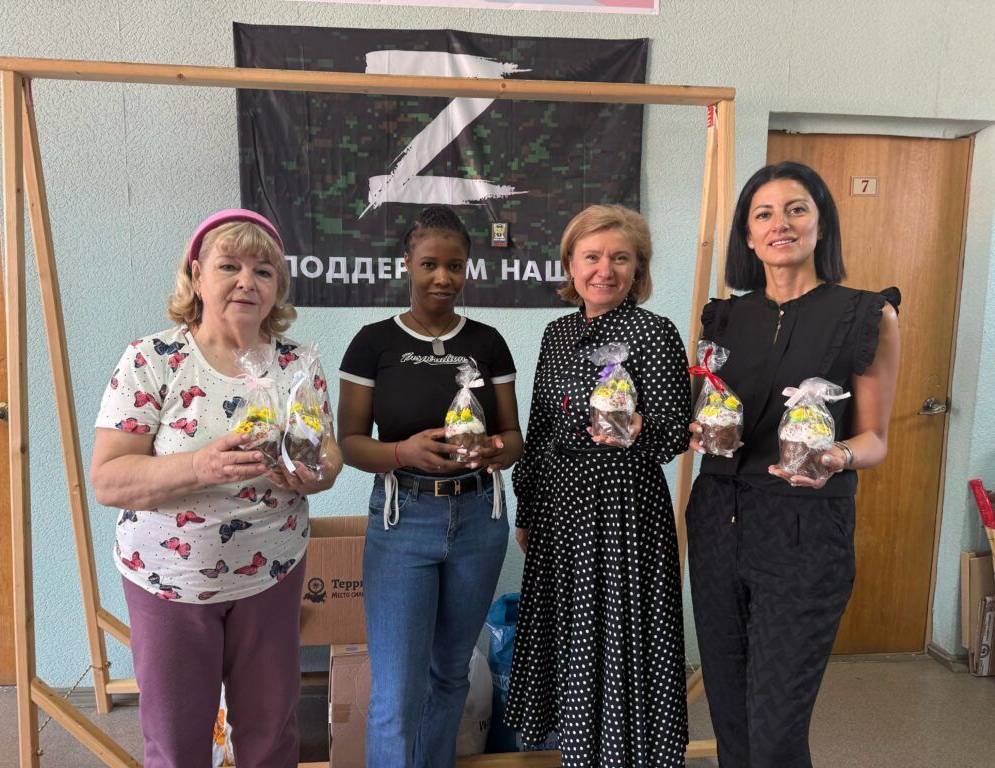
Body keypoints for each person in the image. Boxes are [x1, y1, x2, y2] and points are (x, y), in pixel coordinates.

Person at [90, 208, 342, 768]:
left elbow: (328, 456)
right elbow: (108, 478)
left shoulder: (298, 364)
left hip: (271, 574)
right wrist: (199, 466)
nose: (247, 281)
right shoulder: (153, 360)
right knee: (177, 742)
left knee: (272, 734)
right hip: (171, 582)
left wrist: (316, 473)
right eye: (229, 265)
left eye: (264, 271)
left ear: (277, 289)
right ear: (196, 275)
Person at [685, 161, 901, 767]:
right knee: (731, 719)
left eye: (796, 209)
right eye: (764, 214)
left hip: (805, 532)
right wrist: (689, 428)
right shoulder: (724, 319)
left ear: (821, 224)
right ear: (748, 237)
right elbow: (703, 413)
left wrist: (837, 455)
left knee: (776, 731)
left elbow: (876, 438)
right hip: (717, 523)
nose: (780, 223)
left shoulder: (866, 314)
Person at [336, 205, 523, 768]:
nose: (443, 278)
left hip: (480, 519)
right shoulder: (373, 343)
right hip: (403, 519)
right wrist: (403, 453)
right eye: (429, 265)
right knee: (397, 691)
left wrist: (495, 450)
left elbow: (514, 436)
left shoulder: (488, 343)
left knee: (449, 675)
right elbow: (350, 443)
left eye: (455, 266)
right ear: (407, 264)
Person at [506, 204, 692, 766]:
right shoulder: (557, 334)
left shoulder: (654, 333)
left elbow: (674, 433)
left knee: (615, 635)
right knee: (572, 637)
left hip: (622, 509)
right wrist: (527, 507)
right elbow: (540, 427)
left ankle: (621, 751)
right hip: (560, 506)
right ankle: (580, 749)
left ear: (639, 268)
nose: (604, 270)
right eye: (591, 256)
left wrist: (637, 429)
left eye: (620, 258)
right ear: (570, 264)